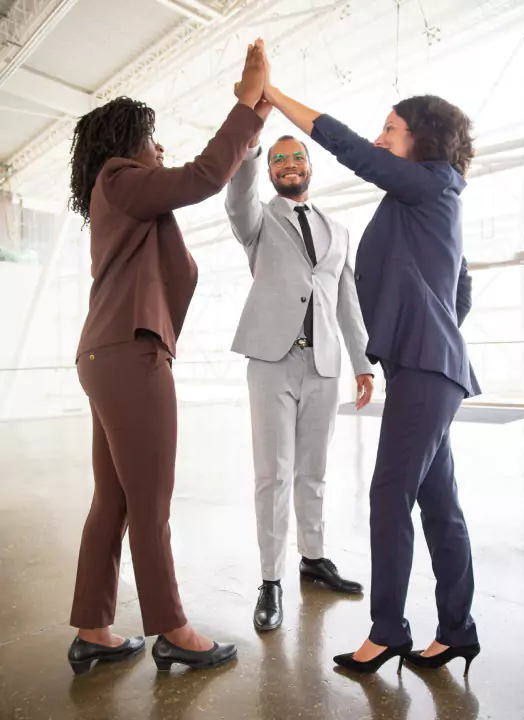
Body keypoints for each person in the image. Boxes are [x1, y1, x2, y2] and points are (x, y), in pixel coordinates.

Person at [255, 38, 481, 674]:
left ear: (422, 139)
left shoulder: (429, 183)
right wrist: (434, 329)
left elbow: (349, 150)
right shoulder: (432, 197)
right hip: (429, 365)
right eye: (382, 127)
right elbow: (460, 283)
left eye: (392, 128)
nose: (381, 138)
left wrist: (274, 98)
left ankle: (388, 630)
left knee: (389, 495)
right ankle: (458, 628)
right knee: (439, 504)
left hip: (426, 368)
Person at [66, 45, 267, 675]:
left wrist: (252, 113)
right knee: (149, 502)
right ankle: (173, 629)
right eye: (154, 138)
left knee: (115, 500)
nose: (161, 148)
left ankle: (93, 630)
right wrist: (246, 106)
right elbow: (204, 176)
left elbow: (196, 176)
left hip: (108, 352)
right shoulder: (122, 179)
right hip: (130, 353)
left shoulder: (119, 194)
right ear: (128, 141)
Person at [224, 92, 374, 632]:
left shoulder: (339, 231)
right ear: (271, 172)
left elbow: (348, 301)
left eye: (297, 158)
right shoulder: (258, 220)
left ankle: (313, 558)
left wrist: (363, 363)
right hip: (271, 361)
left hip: (326, 366)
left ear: (311, 167)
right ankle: (270, 580)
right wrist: (250, 145)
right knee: (275, 474)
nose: (289, 165)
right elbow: (238, 198)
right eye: (278, 161)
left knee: (314, 472)